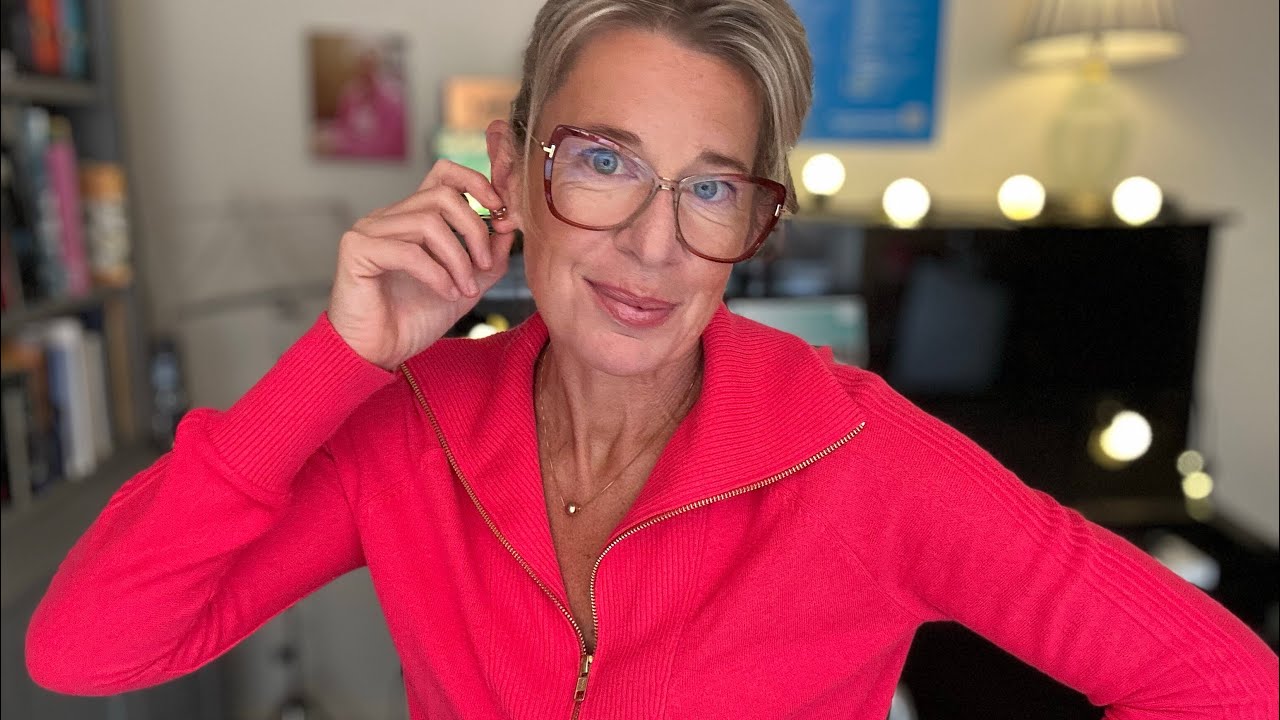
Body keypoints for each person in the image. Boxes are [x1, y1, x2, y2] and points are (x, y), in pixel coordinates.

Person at [25, 1, 1278, 717]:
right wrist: (336, 361)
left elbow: (1221, 681)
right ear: (512, 165)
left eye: (711, 188)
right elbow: (86, 651)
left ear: (757, 225)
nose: (650, 243)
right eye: (603, 161)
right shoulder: (412, 421)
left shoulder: (866, 458)